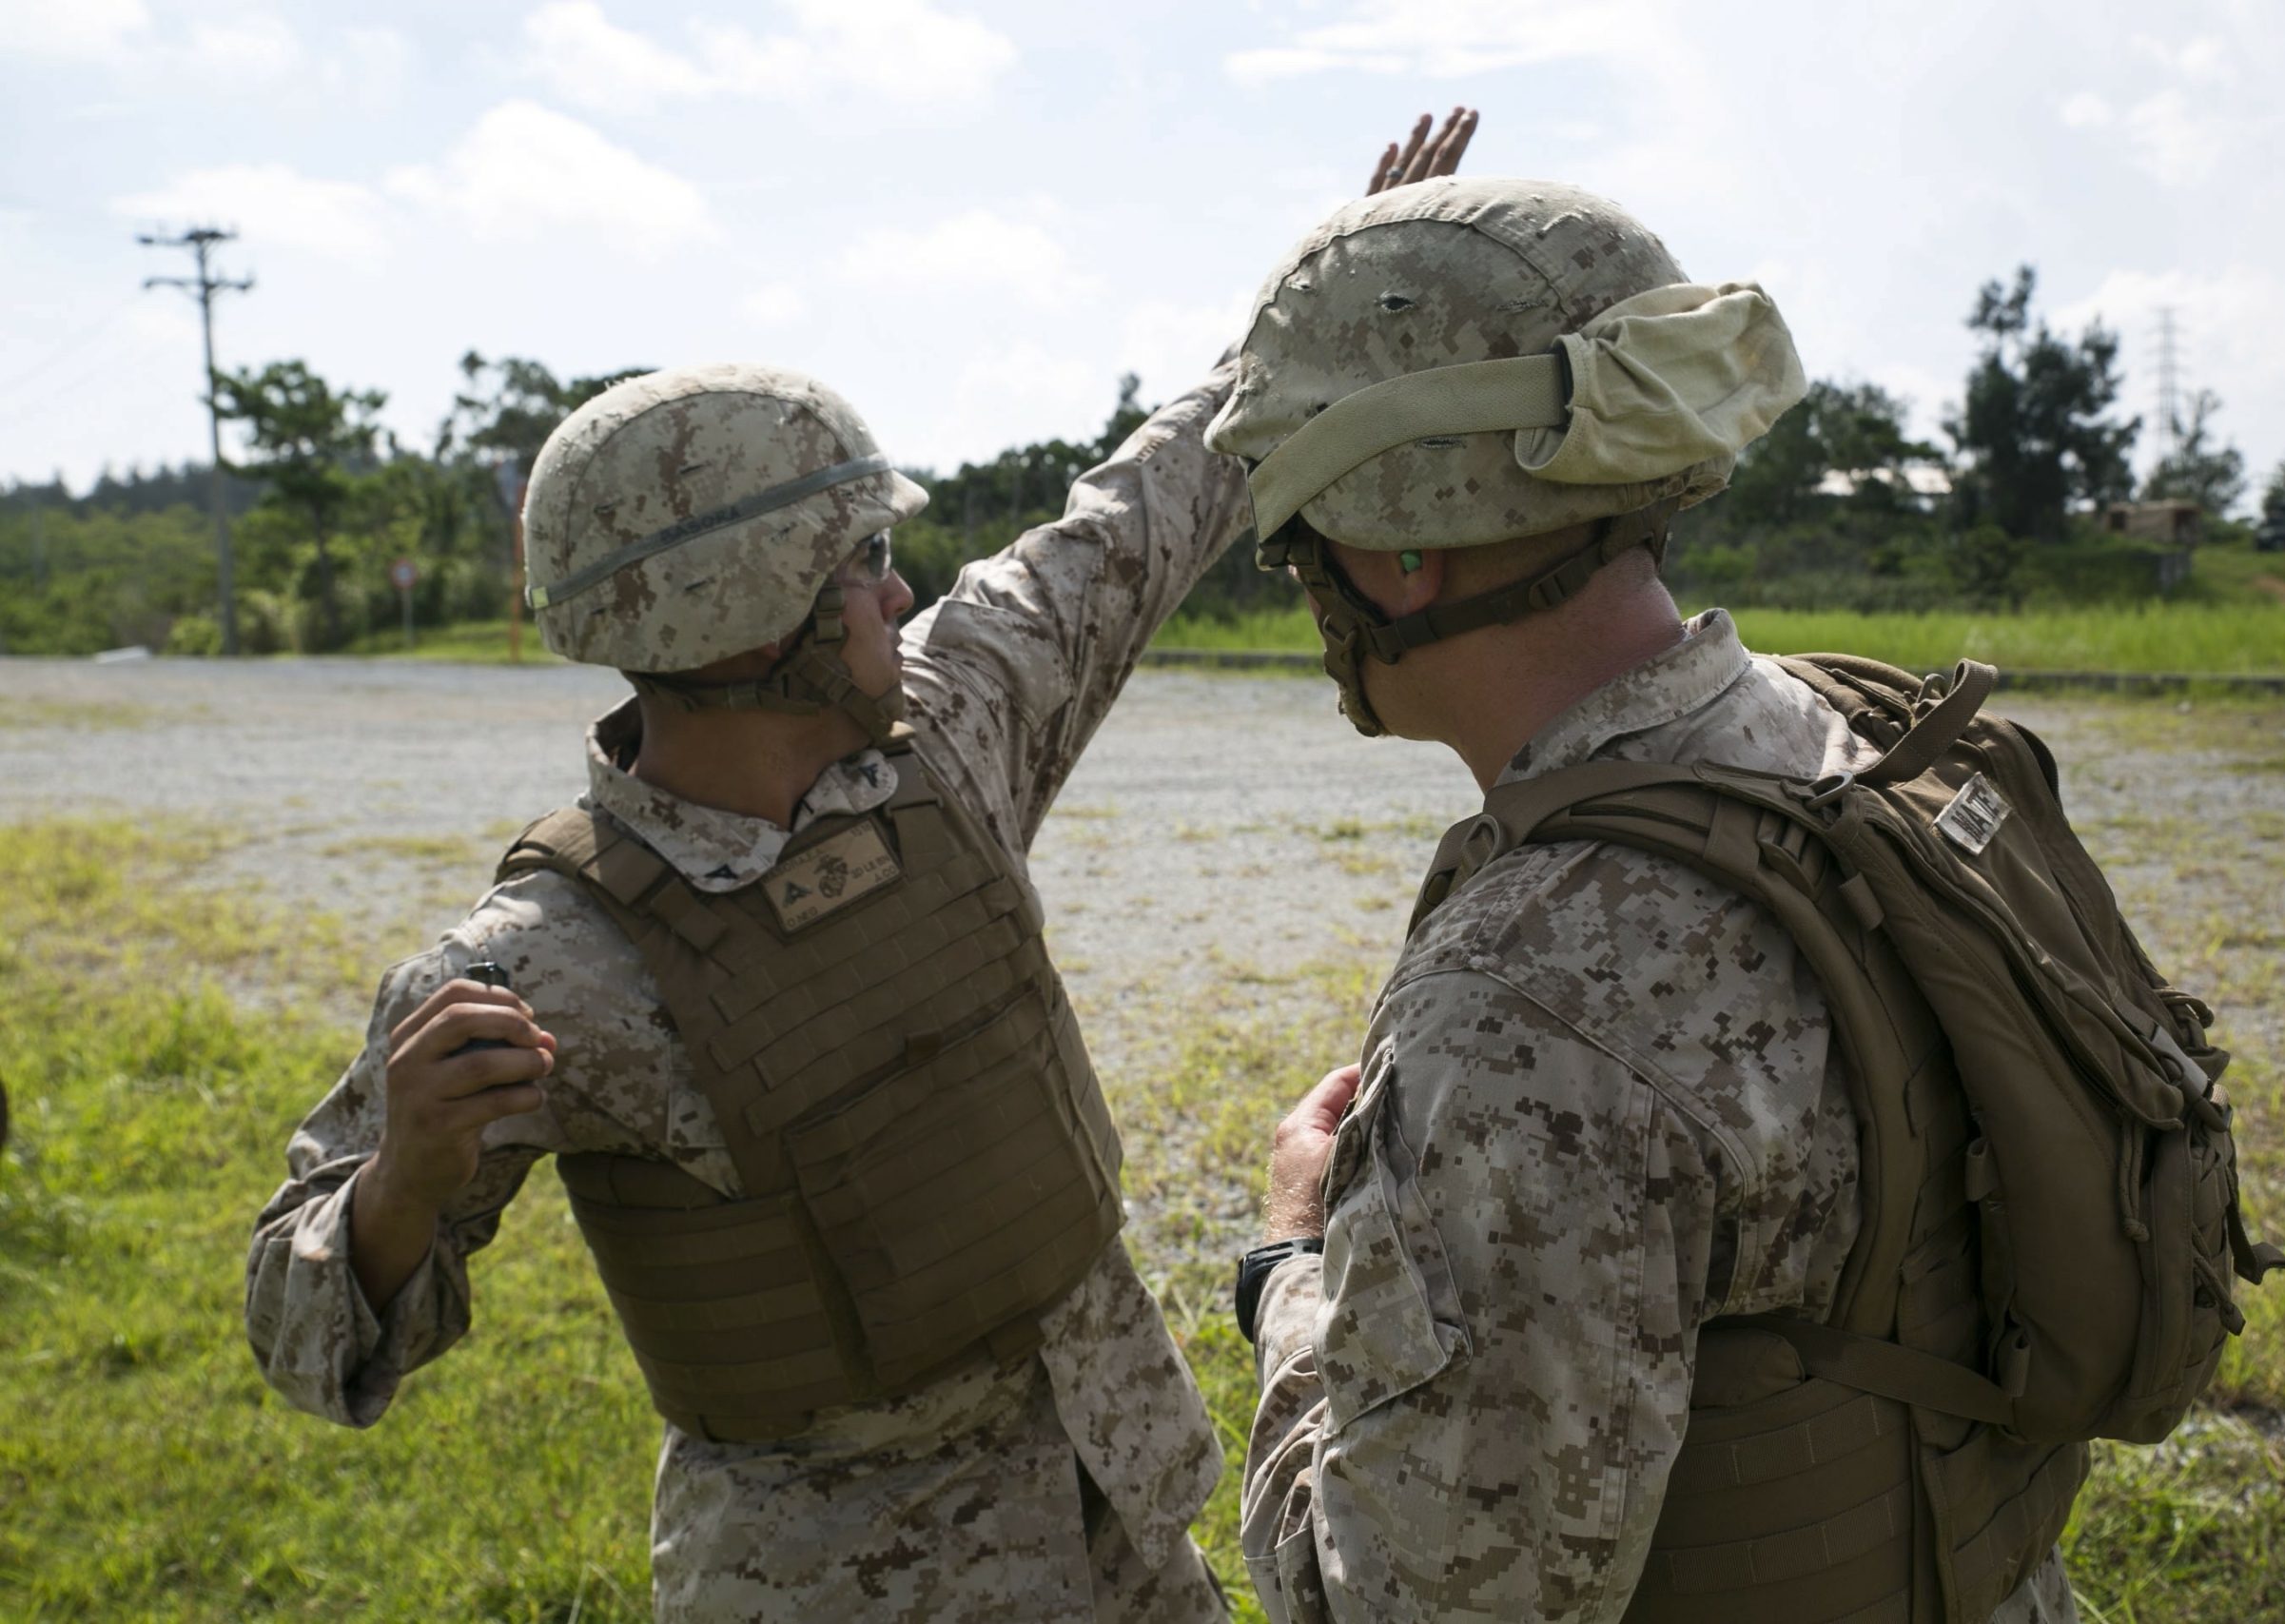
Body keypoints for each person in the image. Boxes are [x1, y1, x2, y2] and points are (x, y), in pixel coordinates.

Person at [242, 114, 1476, 1622]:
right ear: (753, 613)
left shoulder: (948, 734)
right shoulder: (543, 969)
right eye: (856, 568)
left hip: (1128, 1540)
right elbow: (304, 1337)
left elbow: (1140, 518)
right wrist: (401, 1185)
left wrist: (1320, 309)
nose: (900, 588)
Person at [1206, 178, 2085, 1622]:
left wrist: (1293, 1269)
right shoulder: (1849, 741)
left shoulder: (1529, 1004)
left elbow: (1411, 1605)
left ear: (1398, 545)